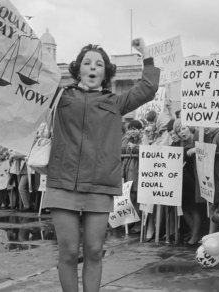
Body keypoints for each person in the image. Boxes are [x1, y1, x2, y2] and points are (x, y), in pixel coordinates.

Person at [42, 38, 160, 292]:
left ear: (106, 72)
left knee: (95, 251)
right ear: (78, 69)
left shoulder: (115, 102)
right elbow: (29, 85)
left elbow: (149, 88)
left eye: (98, 64)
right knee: (69, 252)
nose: (92, 67)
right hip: (62, 183)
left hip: (99, 185)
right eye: (87, 62)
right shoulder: (60, 96)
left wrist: (145, 54)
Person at [122, 120, 143, 233]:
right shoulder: (128, 139)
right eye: (130, 129)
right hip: (129, 169)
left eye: (134, 129)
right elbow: (123, 148)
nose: (132, 131)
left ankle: (139, 224)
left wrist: (133, 147)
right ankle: (135, 223)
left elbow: (141, 149)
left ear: (140, 129)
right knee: (131, 197)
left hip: (137, 171)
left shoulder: (142, 139)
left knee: (136, 198)